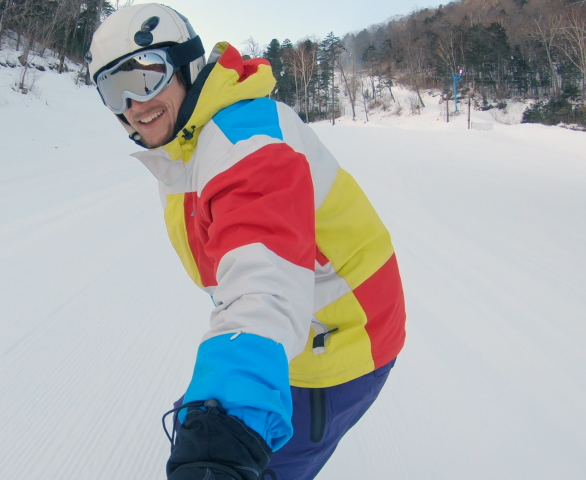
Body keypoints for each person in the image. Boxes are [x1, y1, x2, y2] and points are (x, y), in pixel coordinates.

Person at [87, 4, 406, 480]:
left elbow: (265, 280)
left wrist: (225, 438)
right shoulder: (186, 143)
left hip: (342, 343)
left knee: (255, 460)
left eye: (147, 76)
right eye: (115, 90)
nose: (134, 102)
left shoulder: (247, 141)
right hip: (301, 326)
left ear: (187, 64)